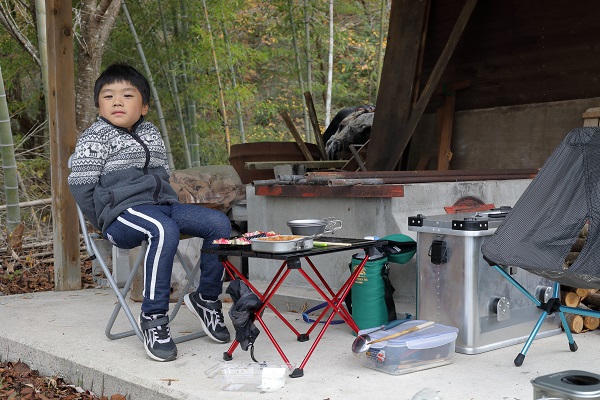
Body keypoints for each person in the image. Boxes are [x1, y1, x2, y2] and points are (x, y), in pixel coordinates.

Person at [68, 63, 231, 362]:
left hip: (161, 208)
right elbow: (81, 186)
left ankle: (207, 299)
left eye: (127, 95)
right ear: (99, 105)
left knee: (219, 224)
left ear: (143, 107)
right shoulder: (95, 138)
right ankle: (154, 319)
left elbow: (162, 174)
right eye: (108, 96)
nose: (117, 101)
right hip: (121, 215)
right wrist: (104, 219)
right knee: (162, 229)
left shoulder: (152, 133)